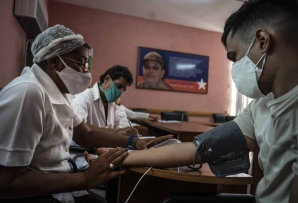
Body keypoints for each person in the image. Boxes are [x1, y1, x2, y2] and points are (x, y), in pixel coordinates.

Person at [90, 1, 298, 203]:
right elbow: (198, 149)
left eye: (235, 57)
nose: (234, 68)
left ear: (262, 40)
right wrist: (120, 156)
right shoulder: (259, 108)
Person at [0, 24, 171, 203]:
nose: (86, 72)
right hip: (38, 195)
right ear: (53, 61)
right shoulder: (29, 92)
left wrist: (133, 142)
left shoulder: (61, 93)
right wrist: (86, 179)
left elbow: (86, 134)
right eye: (81, 64)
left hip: (61, 185)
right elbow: (6, 183)